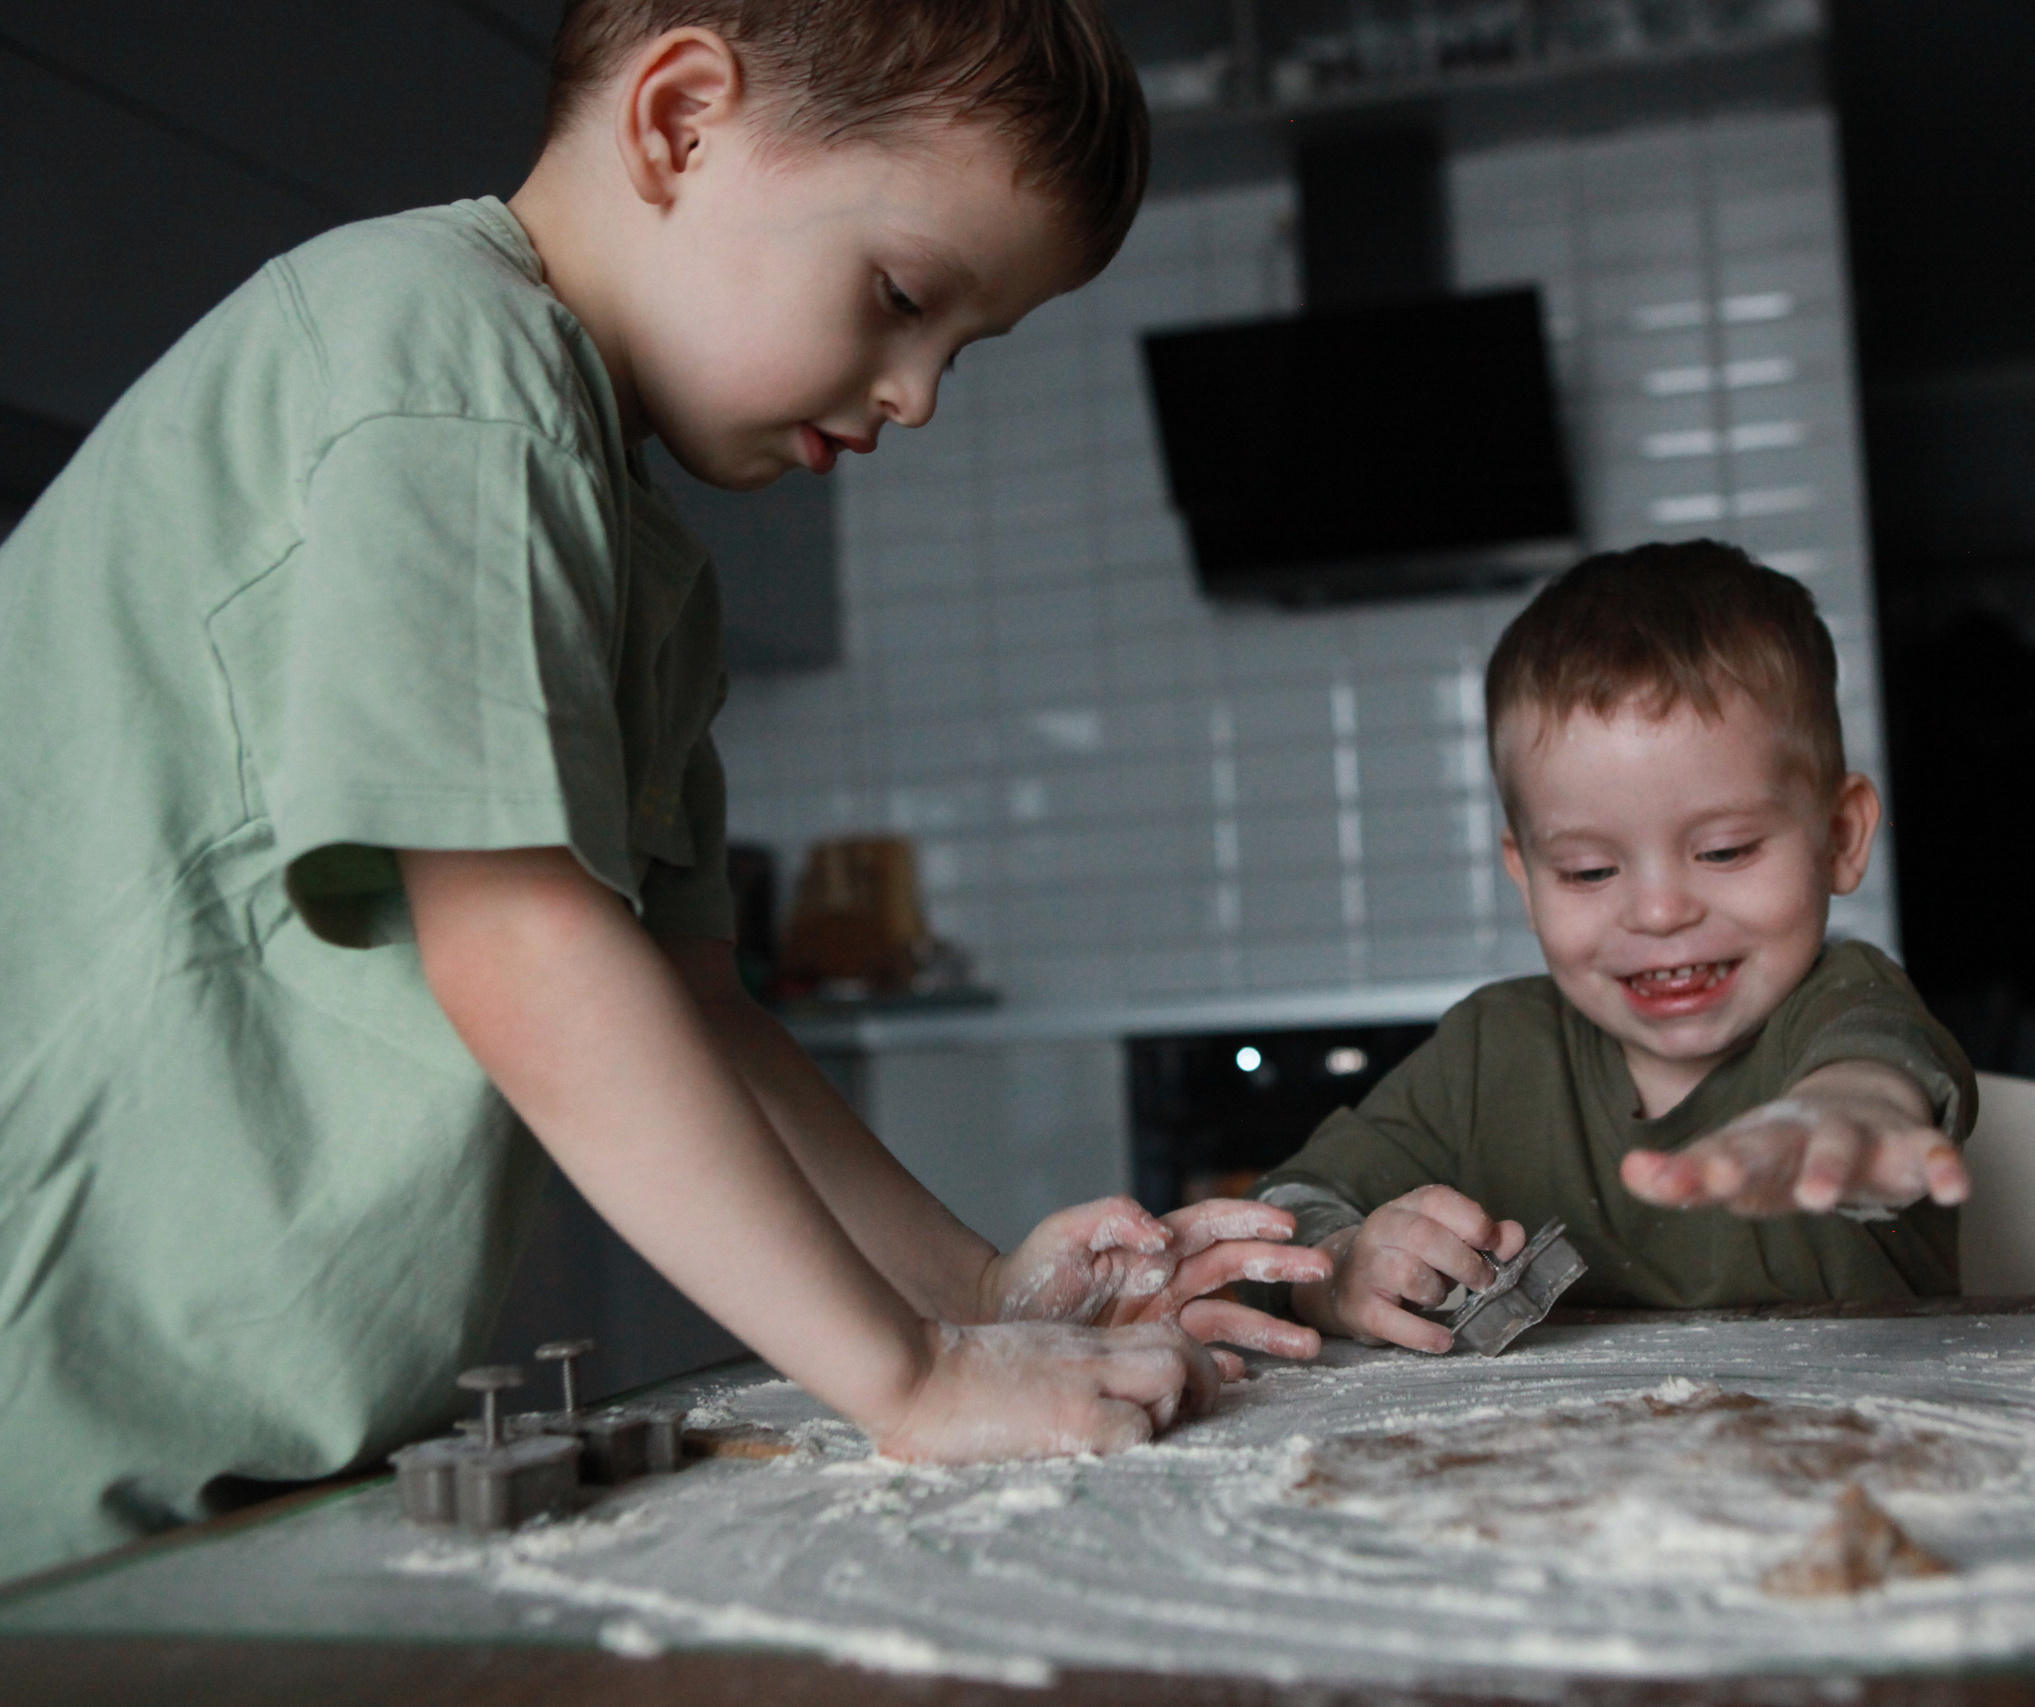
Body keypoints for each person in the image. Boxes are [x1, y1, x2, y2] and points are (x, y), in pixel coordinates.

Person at [0, 0, 1327, 1581]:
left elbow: (702, 1013)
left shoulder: (649, 567)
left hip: (229, 1452)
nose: (918, 395)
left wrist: (979, 1293)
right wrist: (908, 1378)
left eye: (960, 347)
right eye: (902, 297)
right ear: (681, 122)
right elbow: (521, 942)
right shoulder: (443, 357)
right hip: (51, 1420)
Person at [1253, 541, 1976, 1351]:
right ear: (1527, 877)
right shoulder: (1491, 1054)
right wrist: (1342, 1264)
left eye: (1726, 850)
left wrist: (1846, 1123)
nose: (1660, 912)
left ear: (1840, 836)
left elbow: (1872, 1078)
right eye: (1589, 870)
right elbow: (1285, 1207)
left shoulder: (1847, 999)